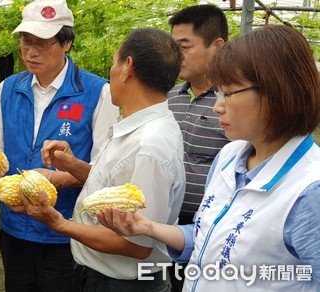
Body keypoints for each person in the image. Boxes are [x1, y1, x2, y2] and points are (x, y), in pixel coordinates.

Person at [98, 25, 320, 291]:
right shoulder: (229, 157)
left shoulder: (309, 192)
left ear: (276, 92)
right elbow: (207, 237)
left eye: (228, 93)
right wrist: (148, 227)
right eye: (218, 92)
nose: (217, 106)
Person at [16, 27, 185, 291]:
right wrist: (73, 165)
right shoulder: (137, 126)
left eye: (113, 63)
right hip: (101, 275)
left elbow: (136, 245)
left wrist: (58, 223)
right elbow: (117, 186)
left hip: (123, 283)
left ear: (128, 67)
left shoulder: (149, 146)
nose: (111, 72)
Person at [0, 0, 119, 290]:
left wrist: (60, 179)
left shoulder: (97, 91)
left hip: (65, 232)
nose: (30, 51)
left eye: (42, 43)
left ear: (66, 43)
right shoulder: (8, 89)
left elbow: (105, 168)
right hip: (13, 228)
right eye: (25, 42)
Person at [165, 5, 231, 290]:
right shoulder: (168, 97)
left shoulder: (233, 104)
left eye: (184, 46)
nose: (175, 56)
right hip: (165, 229)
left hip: (214, 236)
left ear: (217, 46)